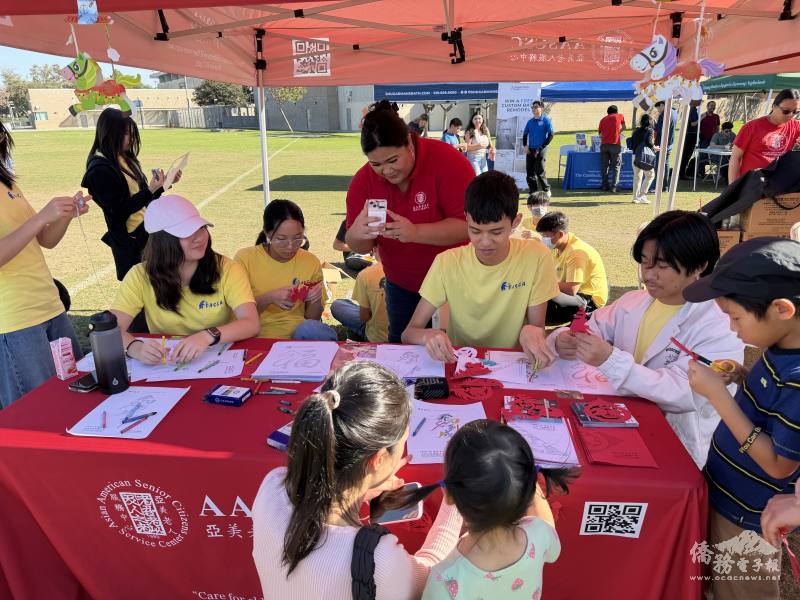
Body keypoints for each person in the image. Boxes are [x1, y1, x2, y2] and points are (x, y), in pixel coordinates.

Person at [251, 361, 463, 600]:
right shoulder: (378, 558)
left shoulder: (272, 486)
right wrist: (455, 501)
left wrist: (364, 488)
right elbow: (430, 574)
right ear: (378, 458)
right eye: (402, 443)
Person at [548, 210, 744, 468]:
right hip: (619, 426)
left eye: (662, 266)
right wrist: (563, 339)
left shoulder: (722, 324)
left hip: (677, 447)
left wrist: (610, 360)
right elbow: (590, 328)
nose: (648, 275)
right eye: (644, 263)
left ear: (699, 265)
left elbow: (683, 393)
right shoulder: (634, 302)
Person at [684, 237, 800, 600]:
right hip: (723, 494)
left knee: (740, 590)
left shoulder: (797, 374)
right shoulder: (780, 348)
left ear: (782, 309)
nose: (733, 329)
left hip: (748, 516)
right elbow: (773, 411)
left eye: (735, 317)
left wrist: (719, 397)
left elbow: (779, 464)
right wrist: (742, 376)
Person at [369, 420, 571, 600]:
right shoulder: (538, 534)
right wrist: (527, 479)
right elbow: (549, 533)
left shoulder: (445, 580)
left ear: (449, 496)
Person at [345, 100, 473, 343]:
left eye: (393, 161)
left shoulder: (447, 161)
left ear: (410, 143)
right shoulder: (363, 182)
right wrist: (357, 234)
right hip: (402, 285)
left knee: (459, 351)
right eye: (376, 164)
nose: (386, 171)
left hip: (456, 284)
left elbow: (469, 227)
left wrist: (415, 232)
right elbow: (359, 246)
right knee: (403, 350)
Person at [402, 171, 559, 367]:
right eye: (475, 231)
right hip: (461, 364)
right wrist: (427, 336)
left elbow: (536, 328)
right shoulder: (447, 262)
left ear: (515, 222)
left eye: (496, 232)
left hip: (514, 365)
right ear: (467, 219)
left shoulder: (536, 257)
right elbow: (409, 333)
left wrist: (532, 331)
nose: (484, 242)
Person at [0, 121, 88, 409]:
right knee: (36, 410)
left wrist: (63, 216)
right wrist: (40, 217)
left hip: (49, 306)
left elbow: (45, 240)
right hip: (14, 320)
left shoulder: (8, 183)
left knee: (74, 393)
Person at [111, 195, 259, 365]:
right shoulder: (139, 275)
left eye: (201, 228)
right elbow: (111, 329)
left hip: (221, 359)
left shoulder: (228, 268)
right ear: (163, 242)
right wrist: (136, 348)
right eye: (187, 232)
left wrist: (207, 336)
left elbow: (251, 323)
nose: (200, 238)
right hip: (167, 364)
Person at [81, 108, 177, 281]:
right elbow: (118, 210)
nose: (131, 139)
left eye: (132, 133)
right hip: (132, 242)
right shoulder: (100, 170)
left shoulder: (124, 157)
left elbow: (143, 199)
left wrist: (164, 184)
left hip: (148, 233)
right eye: (126, 134)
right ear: (110, 133)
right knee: (140, 292)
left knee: (161, 286)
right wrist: (150, 190)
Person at [235, 199, 337, 341]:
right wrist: (269, 298)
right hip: (257, 335)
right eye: (282, 239)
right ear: (268, 234)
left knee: (311, 329)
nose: (290, 246)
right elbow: (236, 315)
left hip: (298, 334)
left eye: (297, 238)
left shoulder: (310, 261)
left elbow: (312, 318)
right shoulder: (245, 258)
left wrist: (315, 298)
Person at [535, 211, 608, 325]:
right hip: (575, 294)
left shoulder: (576, 253)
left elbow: (572, 289)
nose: (543, 239)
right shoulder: (558, 247)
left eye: (545, 236)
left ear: (560, 234)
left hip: (589, 300)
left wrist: (543, 283)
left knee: (542, 300)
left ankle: (536, 329)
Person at [728, 88, 800, 184]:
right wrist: (732, 188)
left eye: (796, 112)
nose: (791, 115)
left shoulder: (796, 126)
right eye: (786, 111)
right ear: (773, 106)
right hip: (751, 186)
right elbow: (735, 158)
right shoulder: (751, 127)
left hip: (779, 186)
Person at [330, 259, 389, 343]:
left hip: (375, 337)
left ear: (375, 249)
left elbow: (364, 317)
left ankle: (357, 333)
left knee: (337, 305)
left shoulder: (367, 274)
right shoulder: (411, 271)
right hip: (405, 336)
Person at [522, 101, 554, 198]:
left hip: (541, 149)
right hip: (530, 149)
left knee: (539, 171)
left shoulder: (546, 120)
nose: (534, 109)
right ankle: (533, 192)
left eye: (536, 107)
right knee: (530, 172)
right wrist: (525, 146)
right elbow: (525, 134)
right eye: (533, 107)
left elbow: (551, 135)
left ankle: (546, 190)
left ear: (541, 108)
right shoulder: (530, 122)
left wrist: (541, 147)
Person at [629, 113, 660, 204]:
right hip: (644, 156)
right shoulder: (650, 131)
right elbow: (650, 143)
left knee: (637, 177)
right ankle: (642, 195)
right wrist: (655, 148)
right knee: (650, 175)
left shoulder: (636, 131)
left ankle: (635, 197)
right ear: (650, 122)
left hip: (635, 156)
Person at [597, 105, 626, 192]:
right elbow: (624, 127)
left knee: (604, 166)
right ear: (616, 111)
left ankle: (605, 186)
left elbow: (600, 134)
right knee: (616, 166)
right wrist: (618, 132)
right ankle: (614, 187)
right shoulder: (620, 116)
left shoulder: (602, 119)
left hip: (604, 145)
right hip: (615, 145)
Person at [654, 101, 678, 188]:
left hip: (662, 142)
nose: (658, 111)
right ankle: (665, 185)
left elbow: (658, 129)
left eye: (658, 109)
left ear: (662, 105)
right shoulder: (674, 112)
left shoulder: (664, 114)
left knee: (659, 164)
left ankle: (659, 185)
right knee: (666, 163)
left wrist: (654, 123)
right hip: (670, 141)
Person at [679, 100, 700, 180]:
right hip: (690, 135)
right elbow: (692, 123)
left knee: (686, 155)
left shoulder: (692, 109)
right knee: (686, 155)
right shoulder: (691, 109)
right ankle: (682, 174)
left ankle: (682, 173)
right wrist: (701, 118)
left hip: (691, 135)